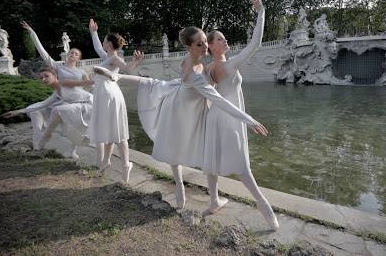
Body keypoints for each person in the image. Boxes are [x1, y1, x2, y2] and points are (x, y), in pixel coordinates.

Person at [94, 26, 268, 213]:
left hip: (182, 95)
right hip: (177, 107)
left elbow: (188, 70)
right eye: (199, 44)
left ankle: (117, 75)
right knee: (173, 145)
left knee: (156, 84)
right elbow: (218, 99)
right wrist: (247, 119)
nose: (205, 47)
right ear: (189, 47)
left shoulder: (193, 61)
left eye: (205, 43)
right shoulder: (194, 73)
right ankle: (179, 186)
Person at [205, 0, 278, 230]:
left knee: (213, 160)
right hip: (229, 118)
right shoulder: (228, 64)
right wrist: (261, 12)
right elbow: (255, 44)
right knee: (241, 164)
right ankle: (262, 203)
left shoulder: (210, 68)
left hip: (217, 116)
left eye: (224, 38)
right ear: (211, 47)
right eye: (220, 39)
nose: (225, 41)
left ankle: (214, 200)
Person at [20, 21, 92, 159]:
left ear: (79, 58)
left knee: (74, 128)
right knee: (36, 111)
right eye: (71, 52)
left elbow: (89, 86)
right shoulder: (57, 67)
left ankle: (73, 151)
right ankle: (37, 145)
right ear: (68, 53)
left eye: (76, 54)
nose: (73, 54)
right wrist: (32, 33)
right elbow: (43, 52)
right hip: (58, 99)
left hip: (74, 103)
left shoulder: (82, 71)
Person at [87, 19, 143, 183]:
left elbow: (126, 68)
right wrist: (93, 33)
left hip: (110, 96)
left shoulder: (114, 59)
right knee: (110, 130)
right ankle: (106, 161)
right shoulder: (106, 57)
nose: (103, 43)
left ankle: (125, 165)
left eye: (105, 40)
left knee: (118, 132)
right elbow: (97, 47)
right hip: (104, 96)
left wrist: (135, 61)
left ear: (110, 44)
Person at [3, 67, 93, 158]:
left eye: (46, 76)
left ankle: (47, 137)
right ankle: (40, 140)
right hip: (78, 107)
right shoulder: (56, 93)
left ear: (55, 76)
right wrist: (18, 111)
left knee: (61, 114)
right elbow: (42, 104)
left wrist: (97, 83)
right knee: (41, 110)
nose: (44, 79)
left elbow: (83, 80)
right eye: (41, 78)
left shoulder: (65, 83)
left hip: (89, 105)